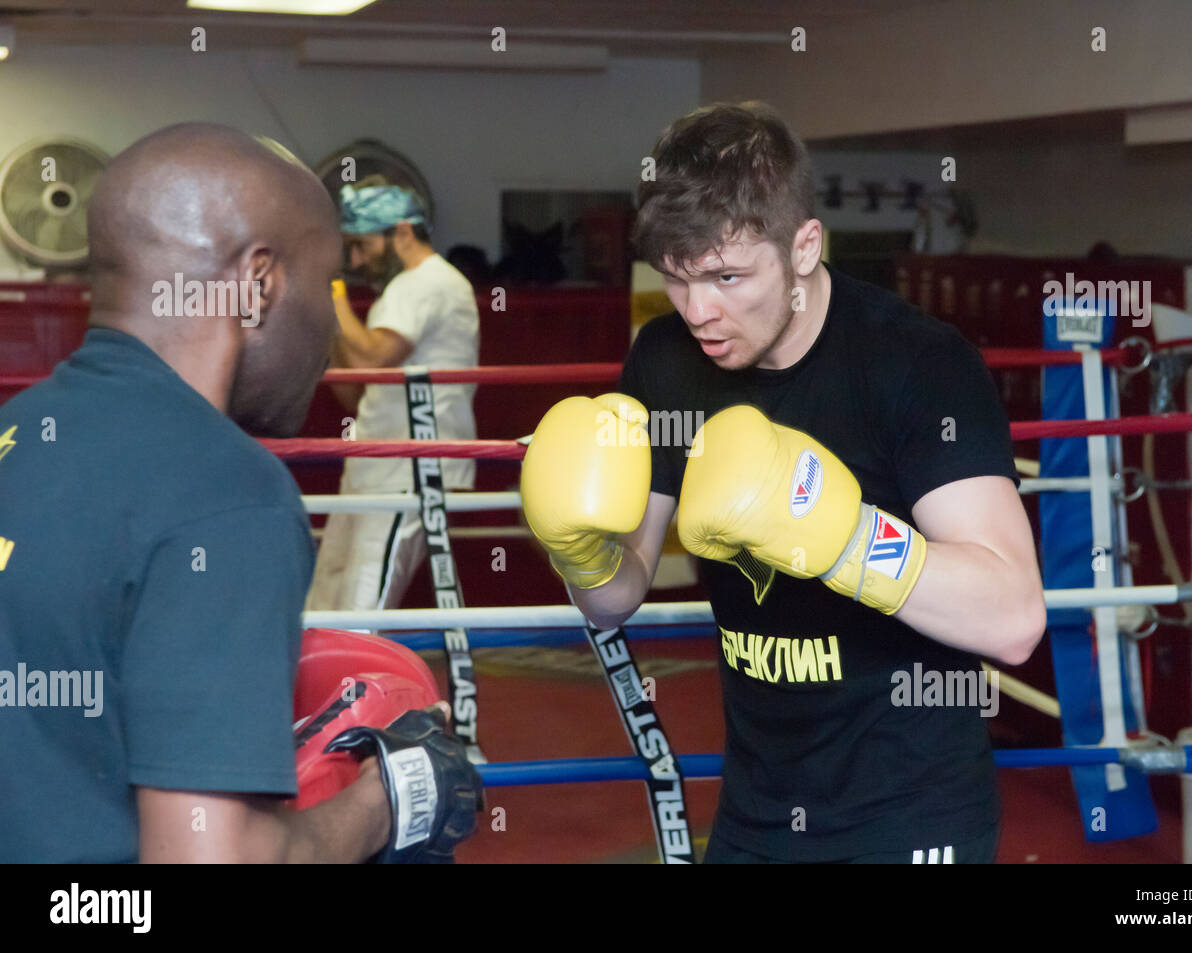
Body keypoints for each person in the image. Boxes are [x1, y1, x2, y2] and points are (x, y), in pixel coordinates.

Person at [521, 102, 1046, 864]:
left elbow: (1014, 616)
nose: (700, 311)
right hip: (756, 812)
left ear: (804, 246)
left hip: (911, 815)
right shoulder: (666, 358)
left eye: (728, 276)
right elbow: (617, 598)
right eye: (676, 279)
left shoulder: (917, 363)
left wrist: (839, 536)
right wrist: (580, 549)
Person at [0, 124, 479, 863]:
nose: (327, 330)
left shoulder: (20, 429)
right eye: (324, 286)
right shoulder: (227, 494)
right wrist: (388, 799)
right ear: (257, 284)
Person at [307, 184, 480, 612]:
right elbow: (353, 391)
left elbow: (372, 359)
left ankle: (352, 682)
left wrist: (332, 291)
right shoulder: (401, 290)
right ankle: (324, 681)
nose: (358, 260)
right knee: (326, 597)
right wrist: (331, 318)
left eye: (363, 245)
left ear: (402, 231)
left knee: (362, 603)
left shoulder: (430, 283)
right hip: (375, 463)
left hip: (411, 469)